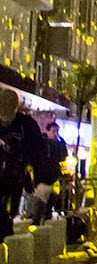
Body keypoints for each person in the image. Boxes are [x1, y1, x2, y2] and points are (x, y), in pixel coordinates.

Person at [0, 90, 47, 227]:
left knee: (10, 209)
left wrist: (33, 174)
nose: (6, 120)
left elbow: (38, 151)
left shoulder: (27, 125)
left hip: (16, 174)